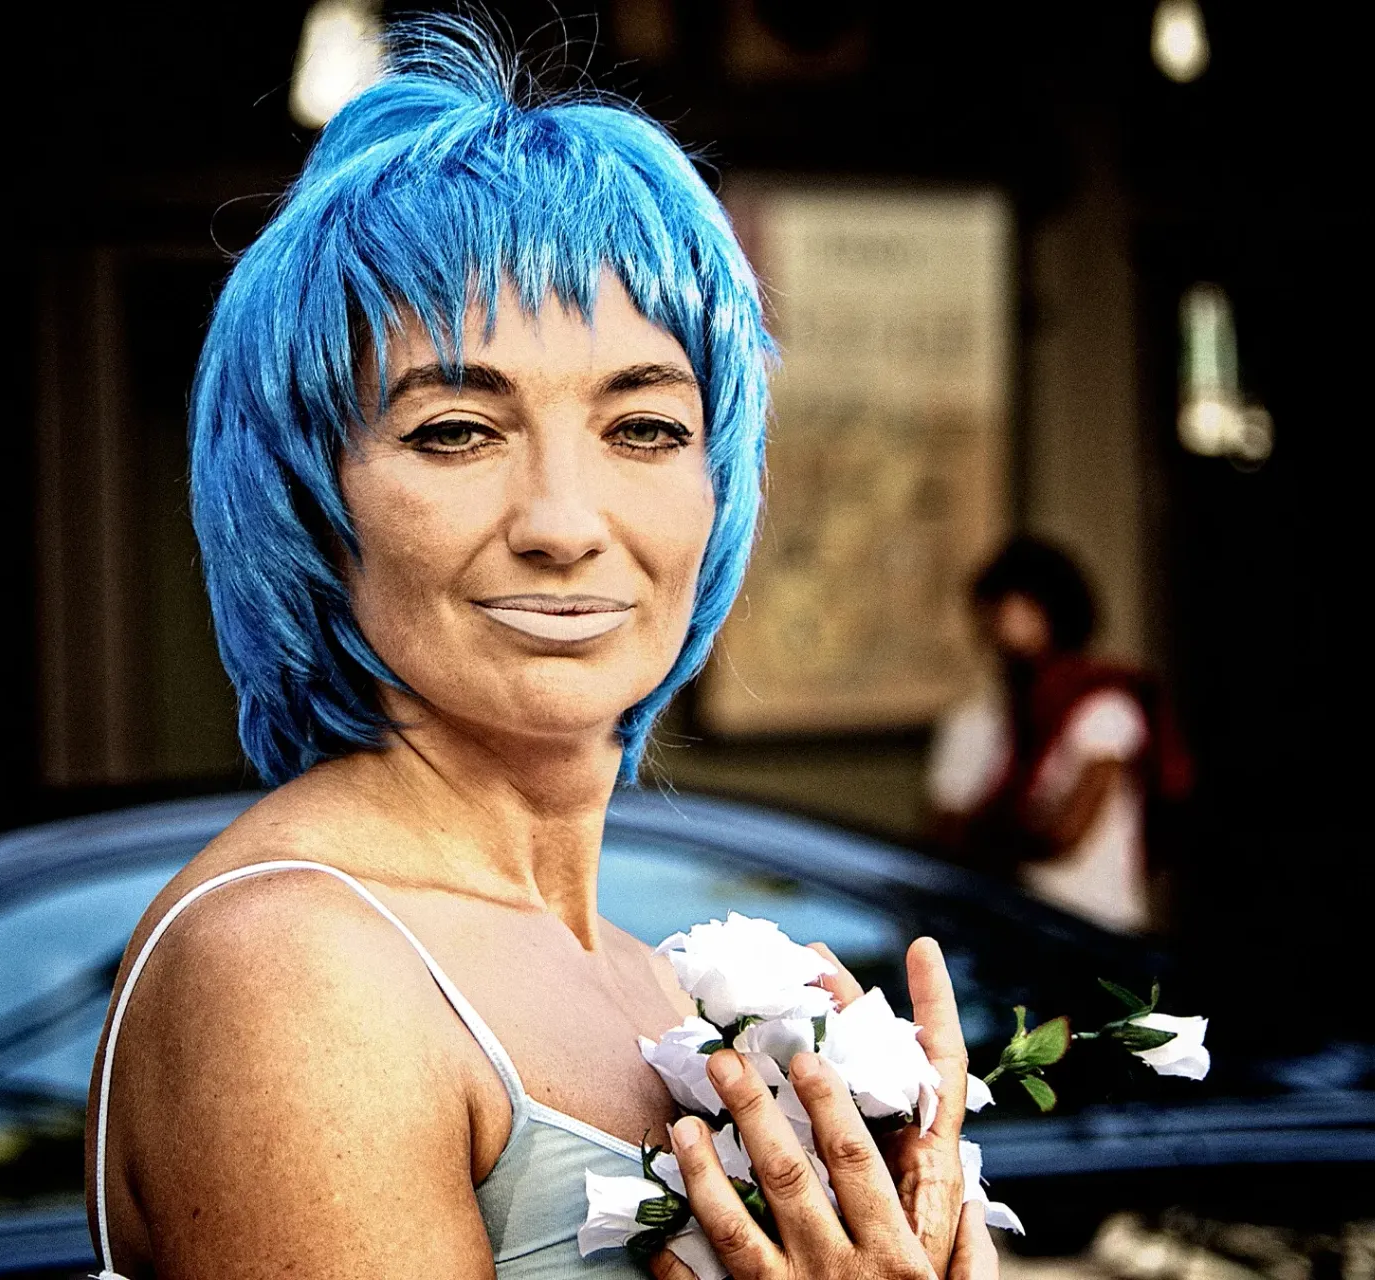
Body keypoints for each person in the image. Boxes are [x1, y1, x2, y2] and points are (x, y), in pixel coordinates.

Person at [84, 18, 1000, 1280]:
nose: (565, 524)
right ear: (307, 497)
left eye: (644, 426)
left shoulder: (645, 980)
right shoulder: (299, 967)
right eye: (456, 430)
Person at [927, 536, 1192, 934]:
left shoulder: (1102, 709)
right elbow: (940, 829)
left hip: (1089, 927)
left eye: (1017, 610)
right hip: (997, 926)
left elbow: (1067, 833)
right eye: (993, 612)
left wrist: (989, 833)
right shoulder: (976, 720)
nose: (998, 627)